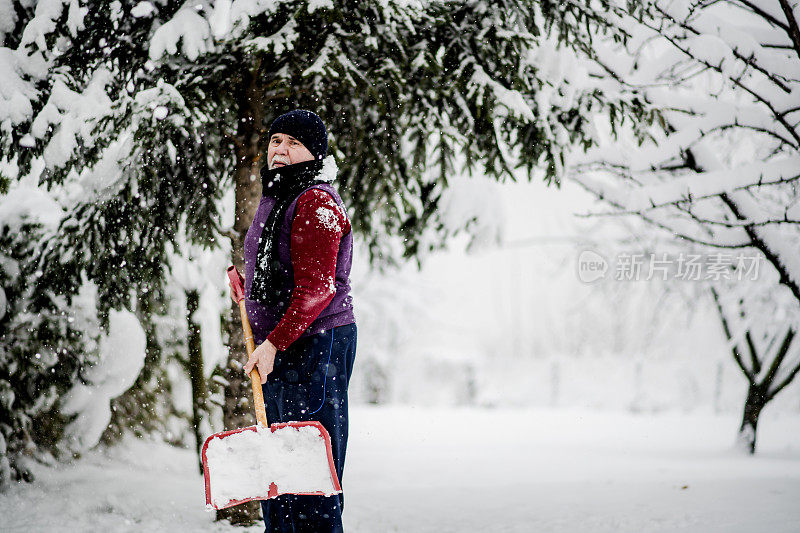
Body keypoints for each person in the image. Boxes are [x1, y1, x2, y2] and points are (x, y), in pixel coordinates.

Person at [242, 109, 356, 532]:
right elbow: (276, 268)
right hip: (287, 344)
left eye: (293, 143)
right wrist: (246, 290)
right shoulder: (279, 197)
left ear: (314, 153)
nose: (280, 150)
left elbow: (317, 288)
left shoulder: (316, 200)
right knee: (280, 465)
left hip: (315, 343)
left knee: (309, 466)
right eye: (275, 141)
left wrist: (273, 344)